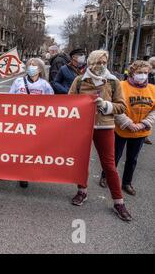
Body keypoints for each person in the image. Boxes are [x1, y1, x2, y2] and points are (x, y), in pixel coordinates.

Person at [69, 50, 132, 222]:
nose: (101, 65)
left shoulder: (113, 82)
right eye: (97, 62)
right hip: (83, 127)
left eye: (104, 62)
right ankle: (82, 191)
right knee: (82, 162)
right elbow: (69, 103)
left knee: (109, 165)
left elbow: (121, 107)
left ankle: (118, 202)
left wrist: (105, 105)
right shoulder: (80, 81)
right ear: (90, 63)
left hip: (105, 127)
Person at [97, 61, 154, 195]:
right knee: (114, 156)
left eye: (145, 73)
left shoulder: (153, 89)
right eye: (139, 72)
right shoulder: (121, 86)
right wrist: (128, 123)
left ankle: (127, 182)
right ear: (132, 72)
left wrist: (143, 124)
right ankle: (106, 177)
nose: (143, 75)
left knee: (132, 159)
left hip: (141, 131)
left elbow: (154, 111)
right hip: (121, 129)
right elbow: (114, 106)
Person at [9, 58, 54, 188]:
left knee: (28, 150)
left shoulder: (45, 85)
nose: (31, 67)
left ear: (40, 69)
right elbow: (8, 100)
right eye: (29, 65)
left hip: (35, 124)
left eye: (34, 65)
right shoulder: (18, 82)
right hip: (18, 121)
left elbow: (52, 105)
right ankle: (6, 170)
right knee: (14, 148)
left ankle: (24, 175)